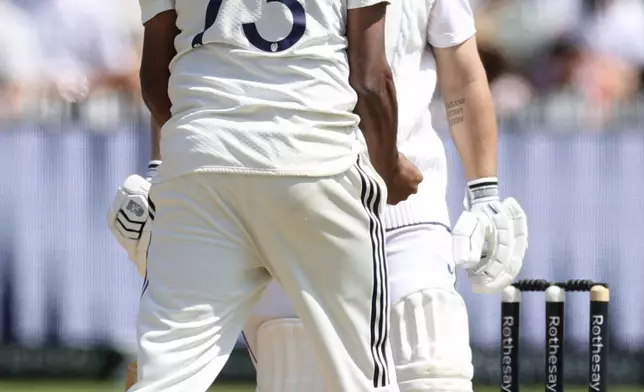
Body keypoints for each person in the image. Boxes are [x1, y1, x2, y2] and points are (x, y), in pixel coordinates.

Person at [107, 0, 424, 390]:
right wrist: (389, 169)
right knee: (362, 378)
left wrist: (198, 150)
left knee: (166, 378)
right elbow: (371, 79)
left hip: (201, 164)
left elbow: (156, 78)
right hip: (315, 160)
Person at [238, 0, 528, 391]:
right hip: (285, 202)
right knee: (297, 373)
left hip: (404, 207)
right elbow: (184, 58)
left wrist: (484, 192)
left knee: (432, 370)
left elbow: (462, 74)